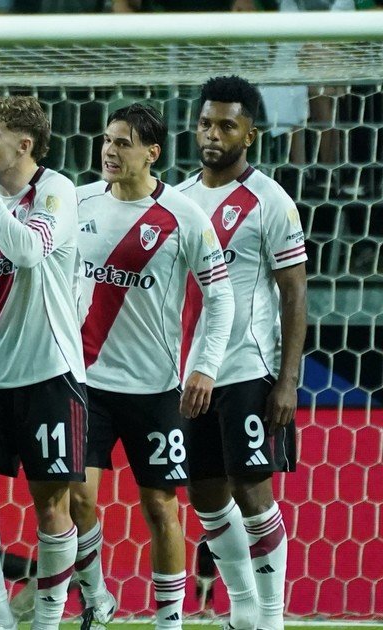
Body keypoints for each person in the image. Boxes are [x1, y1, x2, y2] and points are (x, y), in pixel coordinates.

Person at [73, 103, 234, 630]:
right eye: (107, 140)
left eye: (123, 142)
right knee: (78, 497)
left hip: (156, 388)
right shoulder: (77, 203)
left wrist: (204, 367)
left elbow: (221, 297)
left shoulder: (185, 216)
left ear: (152, 153)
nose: (110, 151)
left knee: (162, 506)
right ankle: (97, 597)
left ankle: (170, 621)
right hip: (86, 380)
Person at [178, 75, 307, 630]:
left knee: (254, 494)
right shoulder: (178, 199)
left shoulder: (270, 201)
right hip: (190, 375)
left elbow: (294, 290)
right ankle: (244, 608)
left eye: (227, 125)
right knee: (206, 498)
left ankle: (271, 618)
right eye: (207, 122)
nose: (213, 134)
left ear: (249, 134)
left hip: (248, 368)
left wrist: (288, 380)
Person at [0, 95, 84, 630]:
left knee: (51, 507)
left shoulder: (56, 191)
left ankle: (47, 622)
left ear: (24, 145)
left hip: (49, 371)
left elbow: (28, 252)